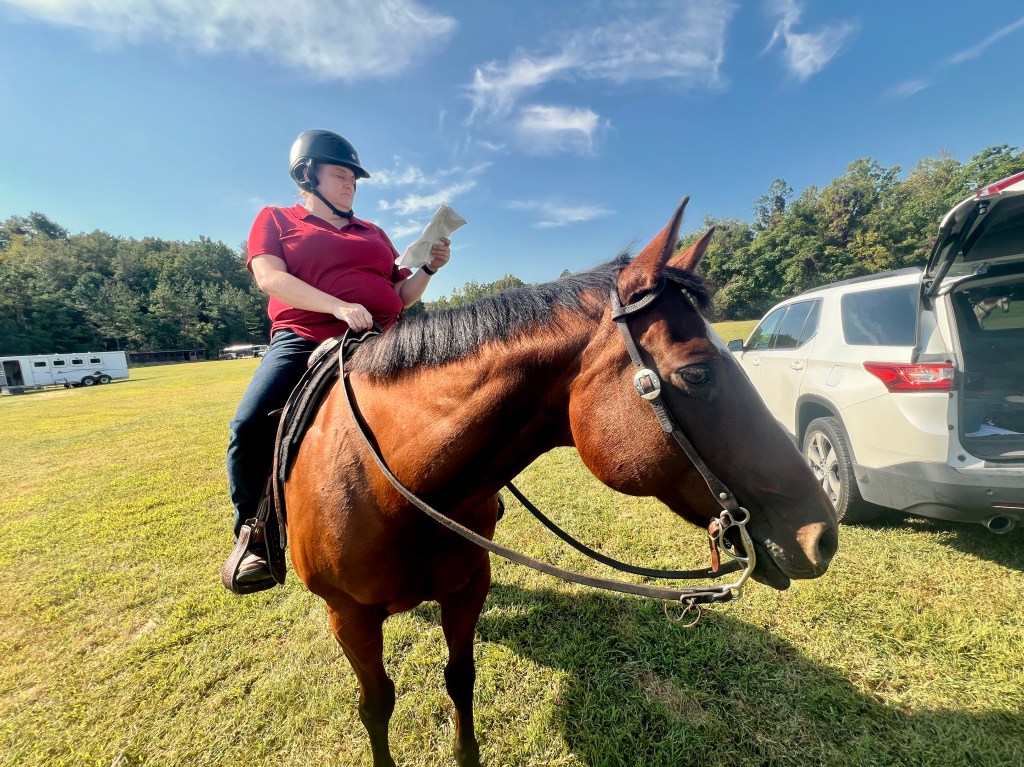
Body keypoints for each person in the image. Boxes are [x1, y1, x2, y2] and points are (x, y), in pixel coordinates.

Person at [224, 129, 451, 591]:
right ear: (308, 175)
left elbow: (400, 295)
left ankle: (465, 498)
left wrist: (427, 269)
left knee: (458, 400)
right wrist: (335, 306)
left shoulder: (374, 232)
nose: (350, 183)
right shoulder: (275, 218)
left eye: (353, 178)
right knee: (248, 425)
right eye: (340, 174)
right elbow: (269, 278)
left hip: (387, 337)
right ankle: (256, 536)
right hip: (305, 336)